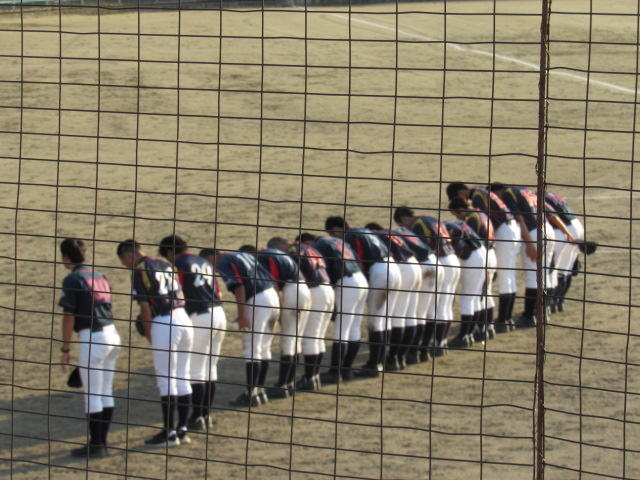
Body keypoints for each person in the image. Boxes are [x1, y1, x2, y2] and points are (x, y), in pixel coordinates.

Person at [117, 239, 193, 448]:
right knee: (183, 376)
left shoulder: (140, 270)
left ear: (128, 255)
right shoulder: (166, 264)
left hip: (165, 321)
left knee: (166, 379)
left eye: (124, 261)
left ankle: (169, 433)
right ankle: (182, 429)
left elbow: (144, 307)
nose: (125, 265)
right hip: (184, 319)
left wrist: (150, 333)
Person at [58, 238, 121, 458]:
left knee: (92, 394)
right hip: (112, 334)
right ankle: (102, 442)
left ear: (65, 258)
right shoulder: (100, 275)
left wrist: (65, 349)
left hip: (93, 336)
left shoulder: (72, 279)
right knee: (105, 391)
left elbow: (69, 316)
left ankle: (96, 445)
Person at [159, 235, 226, 432]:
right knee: (210, 368)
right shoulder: (203, 261)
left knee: (195, 370)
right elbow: (218, 292)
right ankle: (205, 414)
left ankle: (197, 416)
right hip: (219, 313)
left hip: (199, 315)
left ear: (169, 252)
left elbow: (177, 294)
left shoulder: (178, 264)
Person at [325, 216, 401, 377]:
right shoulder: (364, 231)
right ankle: (380, 361)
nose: (333, 237)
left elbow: (358, 261)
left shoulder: (349, 236)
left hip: (379, 271)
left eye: (332, 233)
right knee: (384, 320)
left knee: (375, 322)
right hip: (393, 268)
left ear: (337, 228)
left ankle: (374, 364)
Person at [488, 184, 573, 326]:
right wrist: (567, 234)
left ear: (497, 192)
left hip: (534, 233)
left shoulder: (508, 193)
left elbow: (520, 219)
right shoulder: (527, 192)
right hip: (548, 229)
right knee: (546, 274)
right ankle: (543, 313)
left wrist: (529, 244)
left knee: (533, 277)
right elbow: (552, 215)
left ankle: (529, 315)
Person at [446, 182, 519, 332]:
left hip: (487, 249)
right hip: (499, 243)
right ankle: (491, 325)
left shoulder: (475, 209)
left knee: (475, 293)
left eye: (456, 214)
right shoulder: (481, 207)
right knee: (490, 289)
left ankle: (477, 330)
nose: (458, 218)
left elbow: (473, 241)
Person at [212, 248, 279, 407]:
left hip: (257, 299)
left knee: (252, 348)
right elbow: (271, 279)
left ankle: (251, 394)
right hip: (272, 295)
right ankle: (260, 391)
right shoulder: (242, 255)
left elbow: (239, 287)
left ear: (211, 257)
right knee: (264, 347)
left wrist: (241, 315)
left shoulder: (224, 261)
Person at [393, 207, 461, 355]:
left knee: (434, 308)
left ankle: (435, 345)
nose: (405, 228)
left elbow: (422, 249)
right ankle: (441, 342)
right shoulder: (430, 218)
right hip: (453, 258)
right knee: (445, 305)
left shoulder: (418, 225)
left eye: (401, 224)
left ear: (402, 218)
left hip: (441, 261)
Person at [254, 239, 312, 399]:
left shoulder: (264, 256)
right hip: (304, 290)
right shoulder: (281, 255)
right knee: (295, 340)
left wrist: (277, 310)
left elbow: (273, 283)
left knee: (287, 340)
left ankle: (282, 385)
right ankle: (289, 383)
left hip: (292, 291)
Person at [280, 237, 335, 391]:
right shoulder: (312, 249)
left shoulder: (294, 249)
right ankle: (314, 377)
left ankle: (309, 379)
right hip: (327, 288)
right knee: (318, 337)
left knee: (310, 338)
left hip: (315, 289)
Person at [365, 222, 422, 371]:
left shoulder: (375, 237)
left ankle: (392, 358)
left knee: (392, 318)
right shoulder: (391, 233)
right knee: (407, 314)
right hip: (413, 265)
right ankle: (400, 357)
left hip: (400, 268)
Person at [313, 234, 368, 383]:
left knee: (341, 330)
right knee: (354, 328)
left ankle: (335, 372)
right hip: (361, 279)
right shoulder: (339, 242)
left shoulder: (320, 246)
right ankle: (346, 370)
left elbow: (324, 271)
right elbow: (358, 260)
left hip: (347, 282)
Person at [449, 197, 498, 339]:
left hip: (480, 255)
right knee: (485, 293)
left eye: (456, 214)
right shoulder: (481, 214)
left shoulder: (472, 218)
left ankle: (470, 333)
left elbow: (470, 241)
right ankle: (487, 327)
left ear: (461, 209)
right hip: (491, 253)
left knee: (473, 296)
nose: (458, 217)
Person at [394, 225, 441, 364]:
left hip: (422, 266)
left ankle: (412, 352)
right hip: (434, 262)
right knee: (428, 311)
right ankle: (424, 351)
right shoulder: (405, 231)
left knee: (414, 313)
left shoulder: (393, 234)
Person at [444, 220, 487, 348]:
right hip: (482, 252)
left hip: (472, 257)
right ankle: (469, 335)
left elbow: (456, 234)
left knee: (467, 299)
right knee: (475, 297)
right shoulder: (457, 223)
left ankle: (464, 336)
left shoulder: (446, 227)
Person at [543, 191, 585, 312]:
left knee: (558, 272)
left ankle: (552, 302)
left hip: (566, 229)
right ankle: (559, 301)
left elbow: (553, 216)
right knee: (567, 270)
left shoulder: (538, 198)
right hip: (577, 225)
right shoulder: (552, 195)